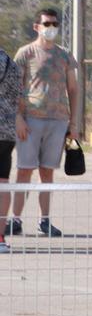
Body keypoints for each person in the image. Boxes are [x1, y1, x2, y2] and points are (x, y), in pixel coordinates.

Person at [8, 8, 81, 239]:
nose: (51, 28)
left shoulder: (65, 55)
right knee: (24, 170)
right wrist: (17, 118)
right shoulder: (25, 53)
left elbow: (73, 90)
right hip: (30, 120)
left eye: (54, 24)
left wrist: (74, 123)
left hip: (58, 120)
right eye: (47, 23)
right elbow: (14, 88)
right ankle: (16, 220)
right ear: (36, 26)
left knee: (47, 172)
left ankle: (45, 221)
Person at [0, 42, 18, 255]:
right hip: (7, 131)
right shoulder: (11, 64)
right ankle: (1, 237)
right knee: (3, 183)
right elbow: (17, 97)